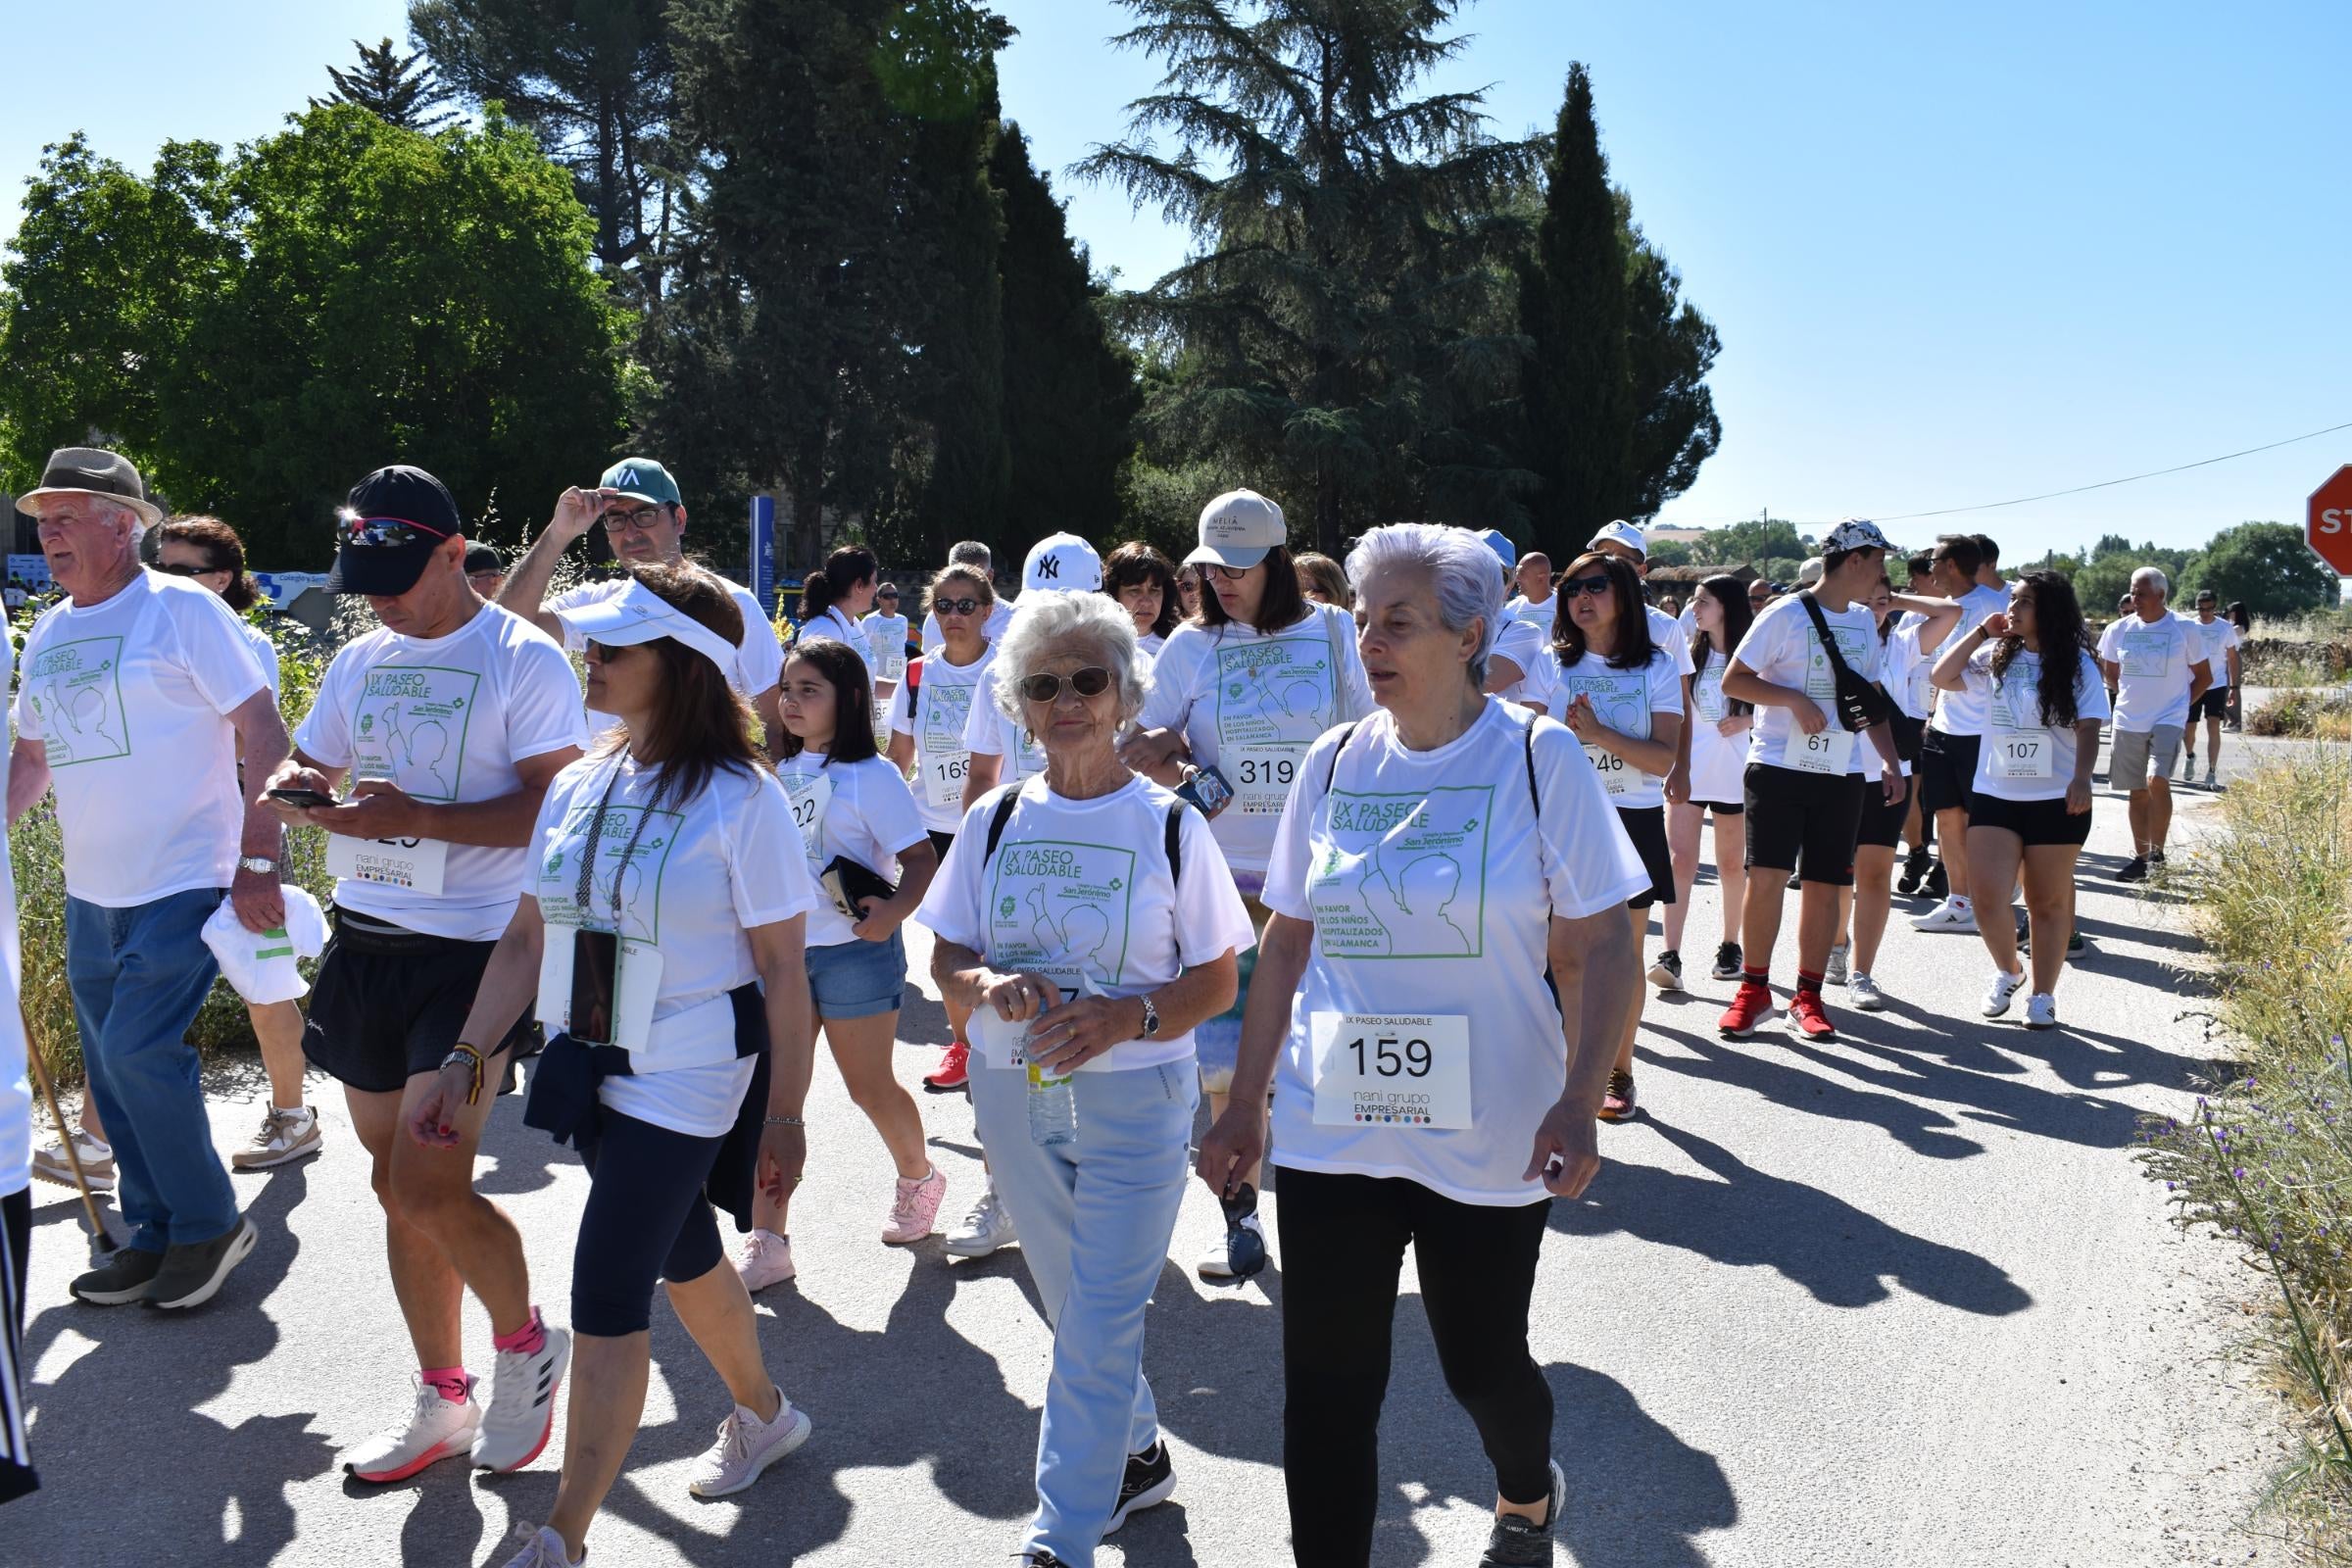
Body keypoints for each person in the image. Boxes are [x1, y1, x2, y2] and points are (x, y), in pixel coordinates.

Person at [1195, 521, 1644, 1568]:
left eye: (1397, 622)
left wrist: (1583, 1094)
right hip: (1332, 1122)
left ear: (1470, 632)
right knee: (1327, 1390)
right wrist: (1245, 1101)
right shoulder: (1337, 760)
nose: (1371, 642)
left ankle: (1527, 1486)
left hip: (1492, 1123)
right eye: (1361, 622)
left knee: (1482, 1368)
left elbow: (1606, 940)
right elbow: (1289, 935)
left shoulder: (1540, 756)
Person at [450, 565, 820, 1568]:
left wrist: (786, 1115)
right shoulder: (579, 778)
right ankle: (768, 1413)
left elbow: (787, 970)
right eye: (593, 645)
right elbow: (527, 938)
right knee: (680, 1248)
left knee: (607, 1283)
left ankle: (561, 1536)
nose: (591, 660)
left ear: (684, 664)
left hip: (693, 1067)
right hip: (587, 1054)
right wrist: (466, 1054)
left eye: (615, 648)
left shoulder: (746, 797)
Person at [265, 465, 585, 1480]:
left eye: (401, 575)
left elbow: (554, 808)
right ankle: (442, 1397)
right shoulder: (362, 657)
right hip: (367, 940)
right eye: (366, 578)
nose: (382, 597)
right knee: (394, 1184)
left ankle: (526, 1344)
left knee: (429, 1179)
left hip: (475, 951)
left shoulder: (524, 659)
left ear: (456, 553)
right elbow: (314, 762)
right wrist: (298, 789)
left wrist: (422, 820)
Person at [921, 589, 1251, 1568]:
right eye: (1043, 683)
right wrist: (986, 984)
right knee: (1076, 1306)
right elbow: (946, 958)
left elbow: (1219, 978)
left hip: (1140, 1101)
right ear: (1019, 704)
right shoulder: (994, 817)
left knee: (1102, 1314)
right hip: (1015, 1093)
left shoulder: (1171, 826)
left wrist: (1127, 1015)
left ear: (1123, 695)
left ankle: (1059, 1534)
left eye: (1087, 679)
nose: (1066, 697)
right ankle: (1138, 1453)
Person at [8, 447, 289, 1311]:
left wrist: (257, 858)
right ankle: (156, 1229)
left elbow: (266, 734)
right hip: (93, 889)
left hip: (185, 877)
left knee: (137, 1053)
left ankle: (209, 1224)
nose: (48, 528)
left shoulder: (182, 613)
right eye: (43, 514)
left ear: (127, 524)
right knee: (111, 1065)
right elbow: (31, 755)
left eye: (70, 513)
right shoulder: (52, 631)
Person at [1120, 488, 1372, 1279]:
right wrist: (1179, 762)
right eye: (1208, 568)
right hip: (1222, 886)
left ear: (1276, 563)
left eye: (1238, 567)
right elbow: (1136, 744)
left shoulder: (1335, 634)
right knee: (1227, 1066)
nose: (1221, 583)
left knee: (1331, 1055)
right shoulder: (1188, 649)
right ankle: (1242, 1221)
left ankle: (1336, 1218)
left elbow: (1379, 739)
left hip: (1326, 885)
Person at [32, 517, 325, 1186]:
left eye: (186, 568)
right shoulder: (137, 624)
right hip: (160, 854)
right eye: (161, 562)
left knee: (262, 982)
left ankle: (292, 1114)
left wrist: (259, 857)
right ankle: (101, 1141)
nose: (167, 576)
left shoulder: (243, 641)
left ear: (221, 578)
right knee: (130, 1021)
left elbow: (260, 743)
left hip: (239, 835)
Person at [739, 637, 940, 1292]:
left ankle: (920, 1178)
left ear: (848, 698)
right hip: (780, 960)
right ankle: (768, 1239)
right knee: (777, 1100)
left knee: (868, 1087)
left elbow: (920, 862)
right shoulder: (769, 768)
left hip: (856, 954)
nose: (791, 702)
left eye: (809, 690)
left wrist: (892, 914)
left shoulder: (873, 777)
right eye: (787, 689)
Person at [1717, 519, 1915, 1041]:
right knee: (1767, 879)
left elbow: (1870, 700)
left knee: (1827, 884)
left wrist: (1890, 762)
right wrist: (1793, 699)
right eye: (1878, 561)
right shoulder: (1784, 613)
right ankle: (1754, 991)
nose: (1883, 571)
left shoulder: (1862, 624)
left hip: (1842, 771)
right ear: (1855, 560)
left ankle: (1807, 996)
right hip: (1778, 766)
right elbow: (1733, 679)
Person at [1522, 553, 1682, 1121]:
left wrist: (1597, 733)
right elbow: (1526, 745)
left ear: (1624, 596)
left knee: (1620, 954)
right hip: (1560, 817)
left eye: (1596, 586)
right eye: (1571, 589)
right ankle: (1560, 1071)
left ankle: (1619, 1071)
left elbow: (1663, 760)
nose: (1581, 597)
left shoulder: (1657, 666)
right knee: (1558, 954)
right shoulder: (1549, 663)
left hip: (1631, 819)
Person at [500, 461, 787, 754]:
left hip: (704, 791)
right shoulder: (597, 603)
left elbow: (779, 725)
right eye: (616, 519)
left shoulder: (733, 605)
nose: (630, 532)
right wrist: (557, 534)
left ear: (679, 519)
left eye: (645, 515)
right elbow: (507, 627)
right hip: (614, 792)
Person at [1931, 571, 2106, 1029]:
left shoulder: (2078, 664)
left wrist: (2082, 778)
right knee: (1986, 897)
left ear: (2048, 610)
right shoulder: (1997, 655)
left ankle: (2043, 995)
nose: (2013, 608)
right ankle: (2009, 970)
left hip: (2055, 796)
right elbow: (1941, 675)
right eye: (2013, 600)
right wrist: (1980, 632)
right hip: (1997, 792)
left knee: (2045, 904)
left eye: (2023, 602)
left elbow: (2089, 726)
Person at [885, 565, 1001, 1111]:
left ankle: (1005, 1044)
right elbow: (899, 759)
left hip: (997, 823)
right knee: (947, 943)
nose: (955, 615)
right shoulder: (915, 676)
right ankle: (962, 1046)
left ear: (988, 611)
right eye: (944, 605)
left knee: (1001, 939)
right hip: (933, 825)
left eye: (966, 605)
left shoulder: (1007, 672)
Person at [1829, 574, 1945, 1009]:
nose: (1876, 609)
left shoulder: (1903, 643)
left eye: (1883, 602)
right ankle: (1837, 944)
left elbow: (1948, 612)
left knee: (1875, 874)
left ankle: (1863, 973)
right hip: (1834, 769)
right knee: (1839, 872)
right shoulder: (1830, 641)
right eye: (1867, 600)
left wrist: (1894, 597)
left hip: (1888, 771)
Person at [1909, 535, 2013, 934]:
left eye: (1934, 560)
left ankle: (1996, 900)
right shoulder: (1943, 610)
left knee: (1985, 823)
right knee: (1947, 818)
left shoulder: (1993, 607)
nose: (1929, 567)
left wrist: (1958, 677)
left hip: (1982, 731)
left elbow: (1997, 668)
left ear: (1951, 564)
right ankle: (1959, 902)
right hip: (1942, 728)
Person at [1660, 574, 1755, 987]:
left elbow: (1781, 707)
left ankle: (1731, 945)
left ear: (1726, 608)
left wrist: (1748, 719)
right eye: (1695, 601)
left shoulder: (1753, 657)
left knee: (1732, 865)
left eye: (1703, 602)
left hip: (1737, 773)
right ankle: (1670, 954)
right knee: (1680, 862)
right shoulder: (1687, 653)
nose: (1694, 609)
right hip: (1689, 770)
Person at [964, 536, 1106, 807]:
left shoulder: (1124, 674)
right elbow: (981, 775)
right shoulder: (997, 675)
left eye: (1065, 612)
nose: (1051, 624)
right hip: (1022, 837)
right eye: (1039, 611)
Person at [2096, 567, 2209, 882]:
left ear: (2161, 595)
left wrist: (2178, 706)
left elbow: (2204, 676)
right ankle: (2142, 859)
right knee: (2136, 791)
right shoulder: (2118, 630)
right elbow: (2110, 669)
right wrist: (2131, 695)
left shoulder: (2185, 629)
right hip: (2128, 719)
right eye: (2133, 592)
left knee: (2156, 779)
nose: (2135, 599)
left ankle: (2157, 854)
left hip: (2168, 719)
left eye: (2141, 594)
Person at [796, 546, 881, 686]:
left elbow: (867, 685)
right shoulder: (825, 630)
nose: (876, 588)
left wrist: (908, 685)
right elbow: (811, 690)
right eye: (874, 581)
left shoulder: (854, 623)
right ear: (859, 585)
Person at [2180, 588, 2239, 788]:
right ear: (2196, 608)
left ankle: (2212, 771)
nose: (2205, 613)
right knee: (2189, 727)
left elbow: (2232, 658)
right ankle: (2189, 756)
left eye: (2209, 609)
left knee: (2213, 724)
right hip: (2193, 682)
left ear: (2215, 608)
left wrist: (2234, 687)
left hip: (2217, 684)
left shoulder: (2225, 628)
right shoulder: (2189, 627)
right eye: (2201, 609)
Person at [920, 541, 1015, 646]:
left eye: (974, 579)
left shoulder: (1014, 618)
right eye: (956, 578)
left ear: (989, 577)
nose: (955, 615)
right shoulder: (934, 620)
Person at [1102, 541, 1180, 662]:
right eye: (1135, 591)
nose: (1146, 602)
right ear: (1114, 594)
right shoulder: (1098, 643)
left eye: (1154, 590)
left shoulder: (1177, 646)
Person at [858, 581, 909, 707]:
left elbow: (902, 644)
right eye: (887, 596)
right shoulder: (870, 621)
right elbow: (861, 647)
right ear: (879, 600)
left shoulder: (903, 620)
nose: (892, 600)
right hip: (877, 680)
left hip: (898, 677)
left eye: (895, 595)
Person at [1503, 551, 1553, 635]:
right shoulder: (1512, 608)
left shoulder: (1563, 607)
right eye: (1517, 572)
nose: (1516, 579)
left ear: (1541, 578)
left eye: (1522, 573)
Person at [2225, 602, 2250, 729]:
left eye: (2231, 612)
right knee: (2225, 690)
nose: (2229, 615)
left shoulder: (2239, 627)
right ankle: (2229, 720)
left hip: (2233, 658)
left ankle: (2235, 721)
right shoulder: (2232, 626)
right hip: (2227, 658)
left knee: (2233, 689)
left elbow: (2225, 635)